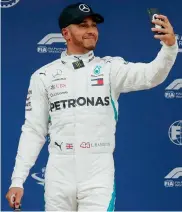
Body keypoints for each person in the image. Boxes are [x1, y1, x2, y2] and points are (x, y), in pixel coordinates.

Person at [6, 2, 178, 211]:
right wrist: (17, 180)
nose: (91, 31)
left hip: (97, 173)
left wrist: (169, 47)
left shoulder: (110, 69)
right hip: (58, 174)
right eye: (83, 25)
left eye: (93, 26)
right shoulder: (43, 76)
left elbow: (152, 75)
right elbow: (34, 131)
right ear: (66, 33)